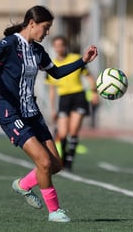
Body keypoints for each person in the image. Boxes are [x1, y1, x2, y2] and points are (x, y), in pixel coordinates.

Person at [0, 5, 98, 222]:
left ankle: (23, 185)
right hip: (11, 114)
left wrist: (83, 61)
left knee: (55, 165)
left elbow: (56, 73)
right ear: (32, 24)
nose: (47, 32)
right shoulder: (10, 44)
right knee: (44, 162)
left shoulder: (38, 50)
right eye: (45, 27)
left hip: (32, 113)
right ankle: (55, 211)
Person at [45, 35, 99, 171]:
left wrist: (94, 92)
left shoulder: (75, 59)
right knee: (62, 133)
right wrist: (52, 109)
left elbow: (89, 76)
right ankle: (61, 160)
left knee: (73, 130)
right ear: (53, 47)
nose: (59, 48)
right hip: (64, 99)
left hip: (78, 97)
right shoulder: (51, 65)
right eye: (56, 46)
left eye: (61, 45)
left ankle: (69, 161)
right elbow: (52, 90)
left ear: (65, 46)